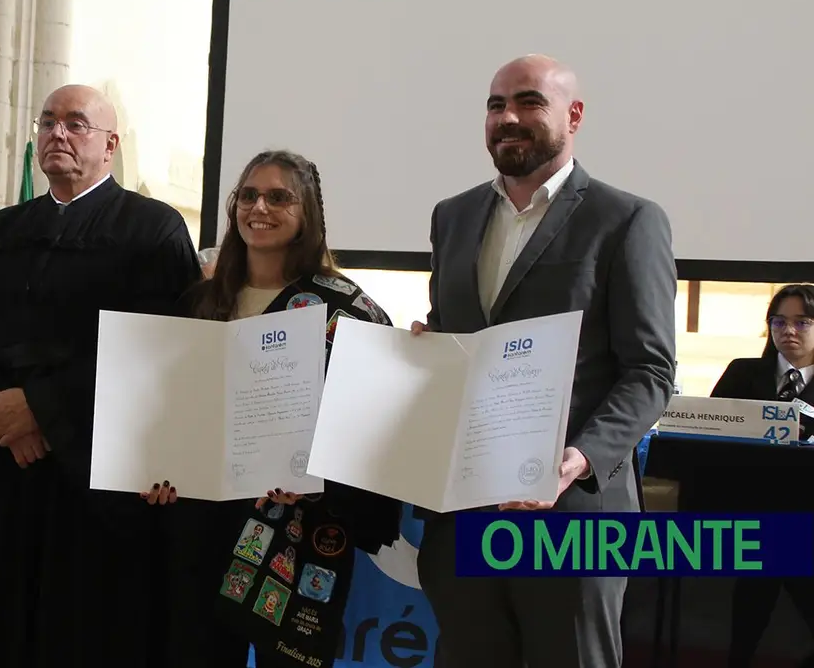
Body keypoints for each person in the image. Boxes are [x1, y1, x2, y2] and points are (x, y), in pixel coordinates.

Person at [411, 54, 677, 668]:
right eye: (495, 104)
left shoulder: (628, 220)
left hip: (574, 510)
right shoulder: (451, 217)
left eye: (529, 102)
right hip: (463, 509)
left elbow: (651, 371)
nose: (508, 117)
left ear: (573, 115)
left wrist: (576, 461)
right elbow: (459, 335)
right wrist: (429, 348)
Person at [0, 84, 202, 668]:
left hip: (97, 477)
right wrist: (3, 417)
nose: (58, 132)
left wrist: (44, 409)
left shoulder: (153, 230)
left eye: (76, 123)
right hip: (2, 465)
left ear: (110, 145)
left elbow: (162, 347)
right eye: (48, 121)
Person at [142, 150, 402, 668]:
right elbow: (164, 410)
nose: (259, 206)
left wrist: (319, 474)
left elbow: (377, 424)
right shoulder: (197, 303)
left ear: (308, 212)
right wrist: (159, 470)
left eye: (279, 196)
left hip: (299, 528)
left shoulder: (349, 310)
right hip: (202, 522)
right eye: (248, 195)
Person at [702, 284, 814, 667]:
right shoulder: (743, 372)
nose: (789, 331)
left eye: (803, 322)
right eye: (779, 321)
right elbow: (707, 439)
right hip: (751, 513)